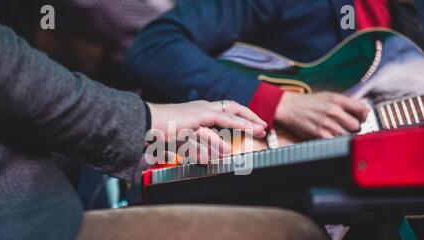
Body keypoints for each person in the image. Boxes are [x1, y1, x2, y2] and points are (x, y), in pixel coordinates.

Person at [0, 0, 339, 240]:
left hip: (49, 183)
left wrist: (145, 136)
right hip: (5, 232)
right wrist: (149, 122)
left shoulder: (390, 25)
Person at [125, 0, 424, 140]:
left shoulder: (409, 16)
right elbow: (154, 47)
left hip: (375, 225)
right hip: (255, 198)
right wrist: (280, 104)